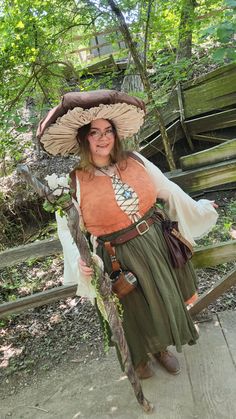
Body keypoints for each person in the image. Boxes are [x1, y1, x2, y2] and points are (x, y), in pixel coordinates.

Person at [38, 90, 218, 379]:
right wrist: (78, 261)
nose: (103, 138)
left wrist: (200, 208)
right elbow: (68, 230)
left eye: (108, 131)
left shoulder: (135, 161)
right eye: (94, 132)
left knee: (158, 300)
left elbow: (168, 191)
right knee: (131, 311)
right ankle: (138, 358)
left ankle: (160, 350)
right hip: (115, 255)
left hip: (154, 242)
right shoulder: (74, 182)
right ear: (84, 138)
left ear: (115, 134)